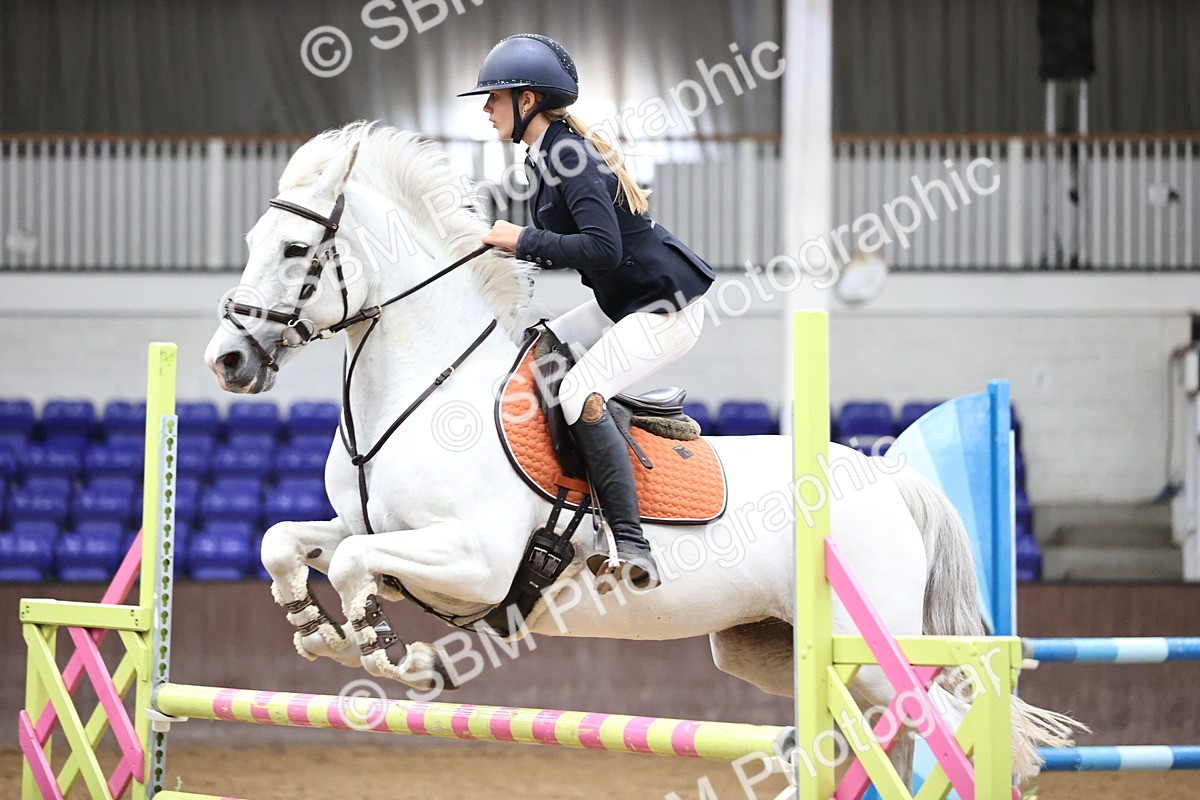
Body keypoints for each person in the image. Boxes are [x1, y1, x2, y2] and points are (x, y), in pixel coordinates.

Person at [459, 33, 714, 591]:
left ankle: (631, 543)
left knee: (575, 392)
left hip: (662, 309)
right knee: (541, 346)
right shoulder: (546, 155)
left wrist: (520, 239)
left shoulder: (568, 157)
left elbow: (604, 249)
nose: (485, 108)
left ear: (527, 101)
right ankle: (589, 461)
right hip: (623, 304)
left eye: (494, 98)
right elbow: (559, 245)